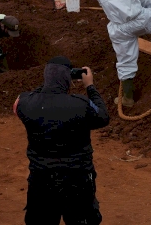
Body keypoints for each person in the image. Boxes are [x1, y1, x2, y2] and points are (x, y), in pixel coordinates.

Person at [14, 56, 109, 225]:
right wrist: (90, 87)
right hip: (77, 180)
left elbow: (22, 102)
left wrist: (50, 84)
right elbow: (103, 117)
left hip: (41, 181)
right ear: (68, 78)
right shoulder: (81, 104)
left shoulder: (26, 103)